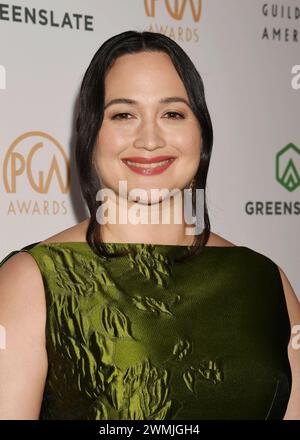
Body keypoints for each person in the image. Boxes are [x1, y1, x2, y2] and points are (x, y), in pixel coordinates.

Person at [0, 30, 299, 420]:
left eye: (172, 113)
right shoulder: (33, 280)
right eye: (124, 114)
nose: (150, 139)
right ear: (91, 132)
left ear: (201, 132)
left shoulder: (265, 280)